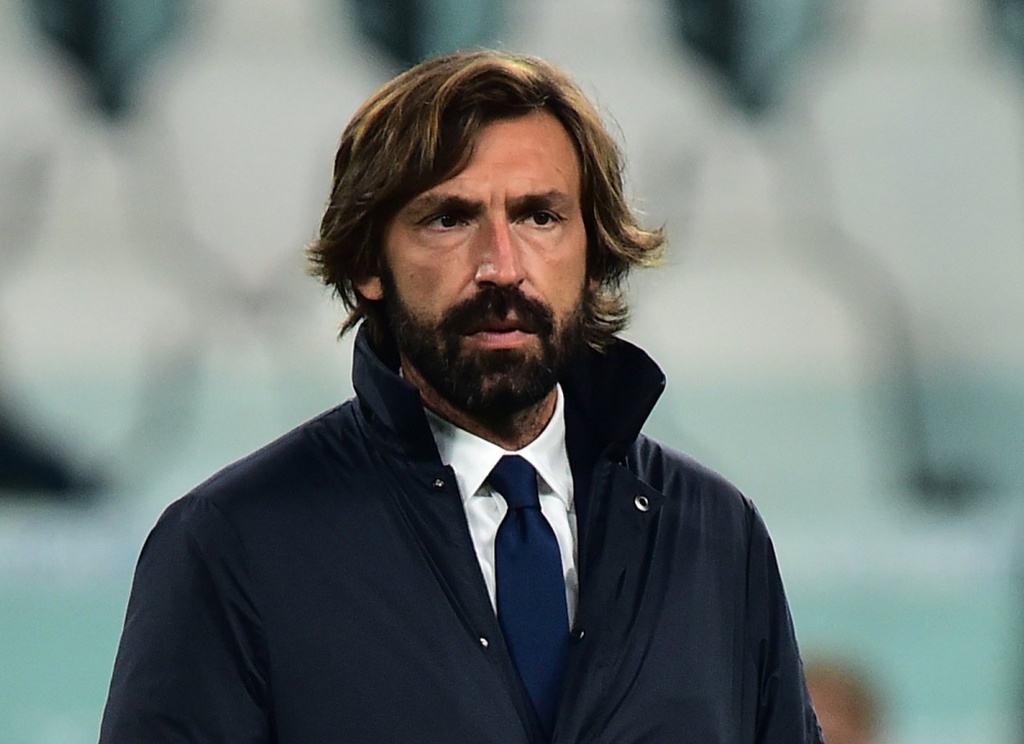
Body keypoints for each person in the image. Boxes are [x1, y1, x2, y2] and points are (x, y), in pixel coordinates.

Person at [99, 49, 823, 743]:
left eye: (539, 216)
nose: (501, 267)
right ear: (370, 264)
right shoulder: (233, 546)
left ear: (594, 252)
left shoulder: (715, 537)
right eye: (449, 219)